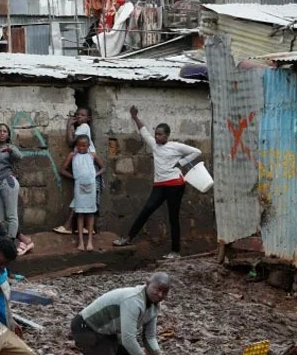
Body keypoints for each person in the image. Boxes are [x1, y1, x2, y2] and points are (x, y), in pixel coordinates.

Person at [113, 106, 201, 259]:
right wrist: (135, 117)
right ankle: (128, 238)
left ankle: (175, 251)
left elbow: (196, 152)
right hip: (160, 185)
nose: (157, 136)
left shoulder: (175, 146)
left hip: (175, 185)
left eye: (160, 134)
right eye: (156, 134)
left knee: (173, 217)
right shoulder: (154, 145)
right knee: (147, 209)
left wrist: (181, 163)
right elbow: (144, 131)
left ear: (167, 135)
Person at [54, 107, 98, 236]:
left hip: (87, 166)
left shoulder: (83, 127)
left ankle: (74, 226)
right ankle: (83, 227)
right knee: (83, 198)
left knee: (84, 198)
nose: (79, 116)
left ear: (88, 119)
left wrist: (69, 125)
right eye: (77, 114)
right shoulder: (82, 131)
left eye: (82, 115)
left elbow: (71, 141)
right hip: (84, 167)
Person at [59, 135, 105, 251]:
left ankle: (89, 241)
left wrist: (95, 175)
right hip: (79, 187)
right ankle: (80, 242)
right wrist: (74, 177)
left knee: (90, 213)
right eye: (79, 145)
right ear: (76, 145)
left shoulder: (92, 155)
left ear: (89, 146)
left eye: (84, 145)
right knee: (80, 213)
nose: (81, 148)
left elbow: (103, 167)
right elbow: (62, 170)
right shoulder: (72, 155)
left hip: (91, 187)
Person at [0, 124, 23, 240]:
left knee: (11, 215)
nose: (2, 133)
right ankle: (3, 242)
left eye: (4, 131)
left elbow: (19, 157)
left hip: (8, 183)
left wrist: (10, 149)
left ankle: (11, 241)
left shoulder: (10, 148)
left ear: (8, 135)